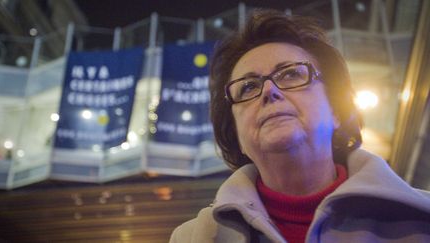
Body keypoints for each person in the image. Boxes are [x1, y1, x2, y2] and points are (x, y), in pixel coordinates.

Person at [170, 9, 430, 243]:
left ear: (337, 110)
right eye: (248, 87)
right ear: (236, 133)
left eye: (291, 73)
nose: (269, 91)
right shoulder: (193, 238)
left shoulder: (422, 220)